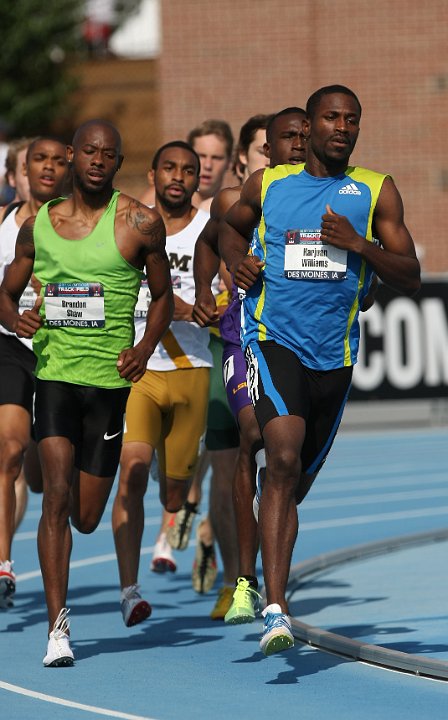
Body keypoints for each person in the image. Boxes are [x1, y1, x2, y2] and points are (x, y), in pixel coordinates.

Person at [219, 85, 421, 656]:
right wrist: (239, 262)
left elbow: (408, 274)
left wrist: (359, 244)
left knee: (292, 484)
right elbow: (229, 229)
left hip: (335, 357)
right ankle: (276, 609)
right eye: (331, 117)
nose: (342, 127)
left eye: (351, 119)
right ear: (308, 127)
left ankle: (269, 539)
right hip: (271, 339)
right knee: (281, 454)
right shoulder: (269, 184)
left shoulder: (376, 190)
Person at [0, 119, 173, 666]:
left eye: (109, 153)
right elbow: (4, 293)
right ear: (74, 156)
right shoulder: (39, 227)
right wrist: (16, 319)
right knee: (55, 497)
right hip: (53, 377)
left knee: (86, 515)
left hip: (108, 389)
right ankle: (57, 630)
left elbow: (164, 295)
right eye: (90, 151)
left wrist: (145, 347)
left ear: (118, 162)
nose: (98, 160)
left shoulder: (140, 223)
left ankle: (53, 471)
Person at [192, 108, 308, 623]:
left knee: (288, 467)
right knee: (251, 435)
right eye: (270, 146)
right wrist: (204, 287)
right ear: (251, 157)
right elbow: (206, 241)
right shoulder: (234, 199)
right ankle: (244, 578)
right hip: (243, 336)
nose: (290, 149)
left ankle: (267, 570)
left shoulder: (315, 196)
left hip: (297, 341)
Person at [111, 140, 213, 626]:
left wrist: (211, 308)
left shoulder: (209, 231)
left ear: (198, 179)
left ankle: (170, 486)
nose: (178, 177)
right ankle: (130, 590)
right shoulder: (130, 226)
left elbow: (228, 291)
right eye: (169, 168)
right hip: (141, 370)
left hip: (193, 367)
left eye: (188, 170)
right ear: (152, 174)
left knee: (173, 497)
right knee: (130, 472)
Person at [0, 136, 69, 609]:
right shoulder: (3, 222)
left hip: (62, 348)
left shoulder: (75, 222)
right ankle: (3, 563)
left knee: (45, 474)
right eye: (36, 162)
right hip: (9, 345)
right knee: (7, 448)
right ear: (19, 174)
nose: (45, 169)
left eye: (56, 161)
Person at [187, 119, 234, 210]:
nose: (208, 165)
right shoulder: (163, 210)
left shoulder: (233, 214)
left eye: (216, 158)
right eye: (201, 156)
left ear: (229, 162)